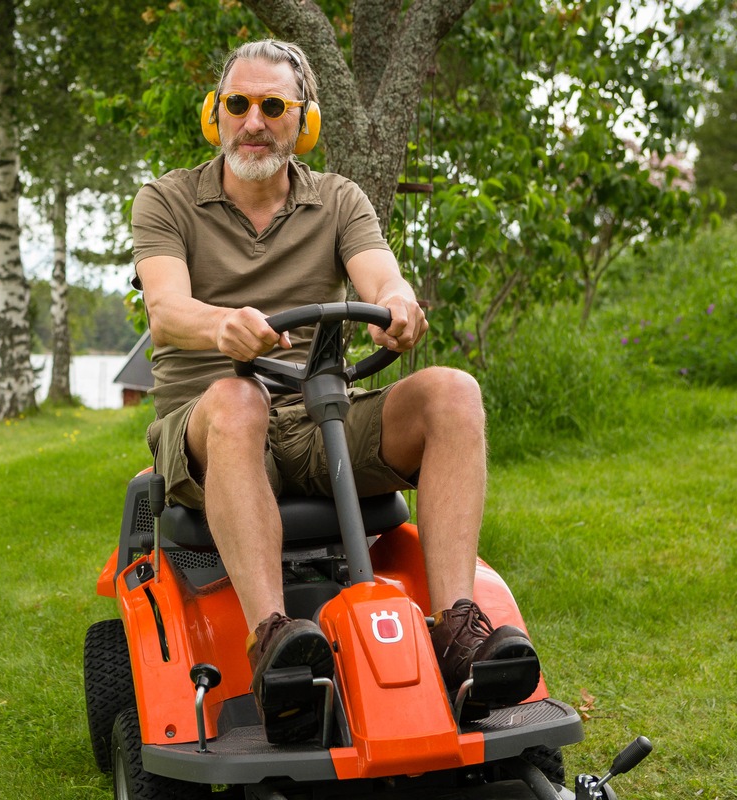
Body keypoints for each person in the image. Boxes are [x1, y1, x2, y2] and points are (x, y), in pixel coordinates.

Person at [131, 40, 538, 743]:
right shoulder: (167, 199)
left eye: (272, 106)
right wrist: (223, 326)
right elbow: (166, 310)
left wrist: (400, 303)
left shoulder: (338, 198)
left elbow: (379, 275)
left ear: (305, 123)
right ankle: (274, 645)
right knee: (236, 401)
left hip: (317, 418)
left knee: (453, 392)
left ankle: (460, 630)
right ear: (214, 115)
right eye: (237, 104)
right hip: (210, 421)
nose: (252, 121)